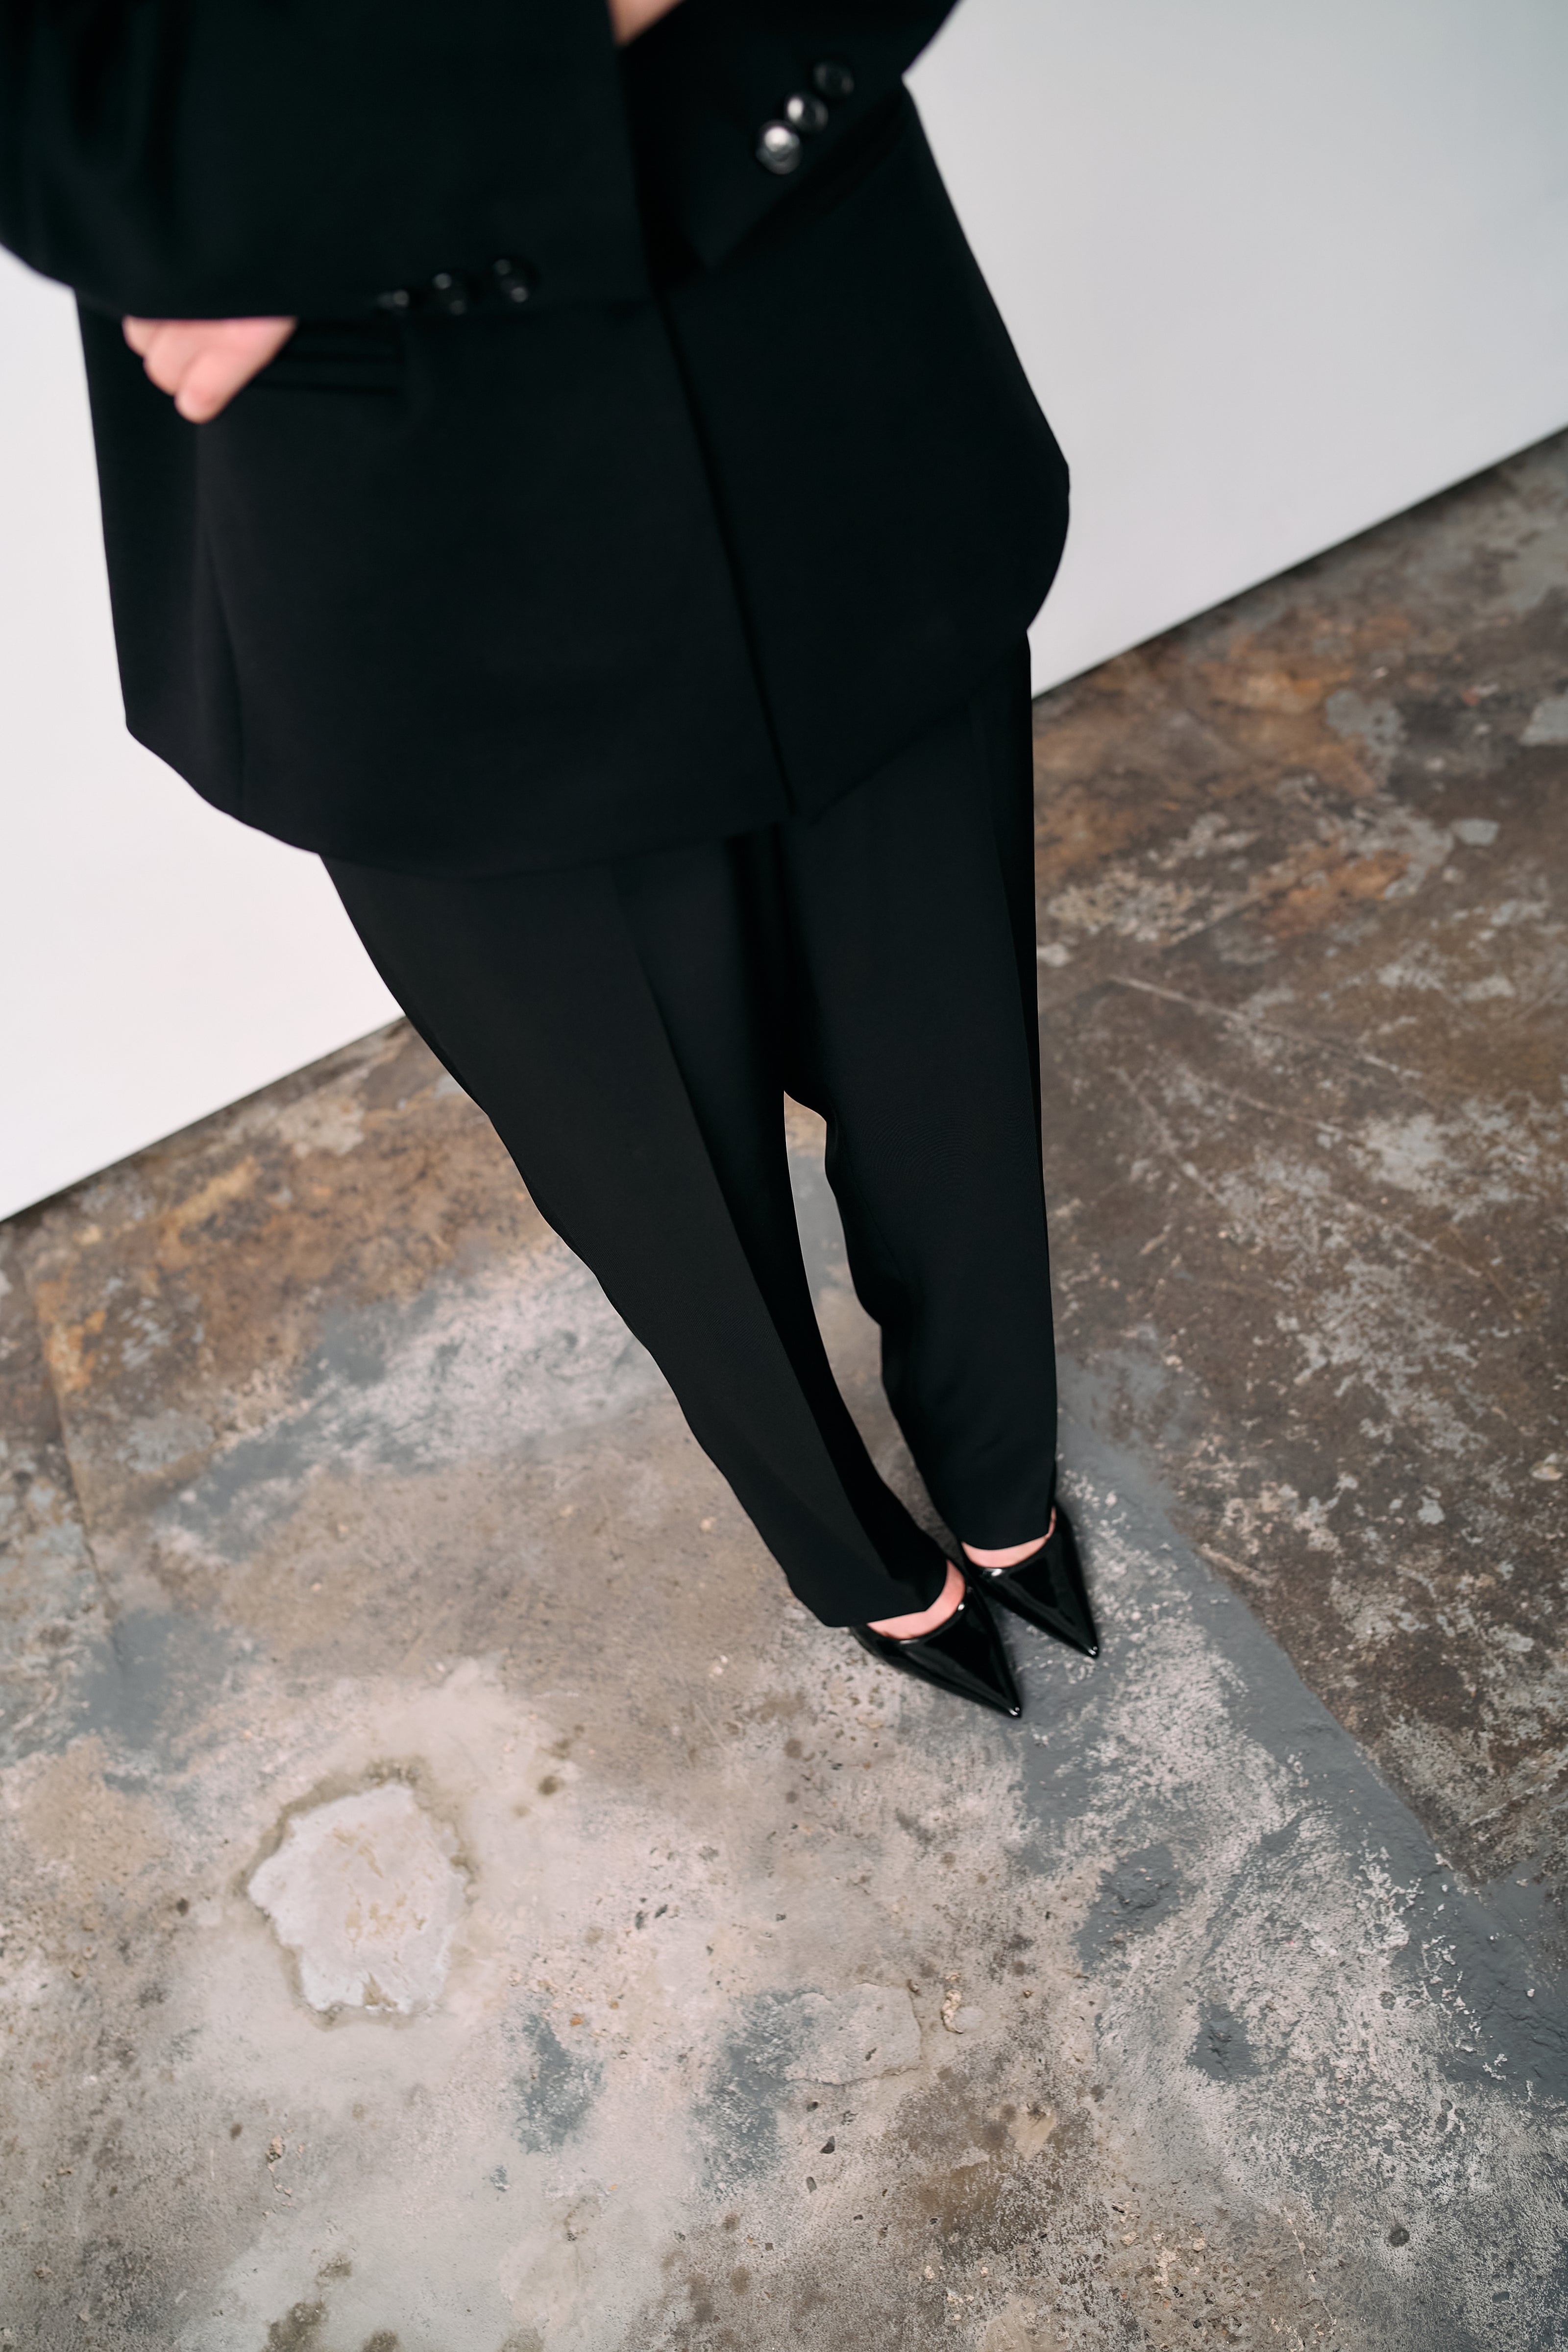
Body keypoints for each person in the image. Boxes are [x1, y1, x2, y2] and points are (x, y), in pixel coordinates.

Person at [0, 0, 1098, 1716]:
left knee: (948, 1058)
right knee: (655, 1179)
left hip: (836, 399)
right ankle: (846, 1553)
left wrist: (324, 173)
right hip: (424, 566)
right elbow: (90, 133)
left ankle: (1000, 1463)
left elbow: (214, 142)